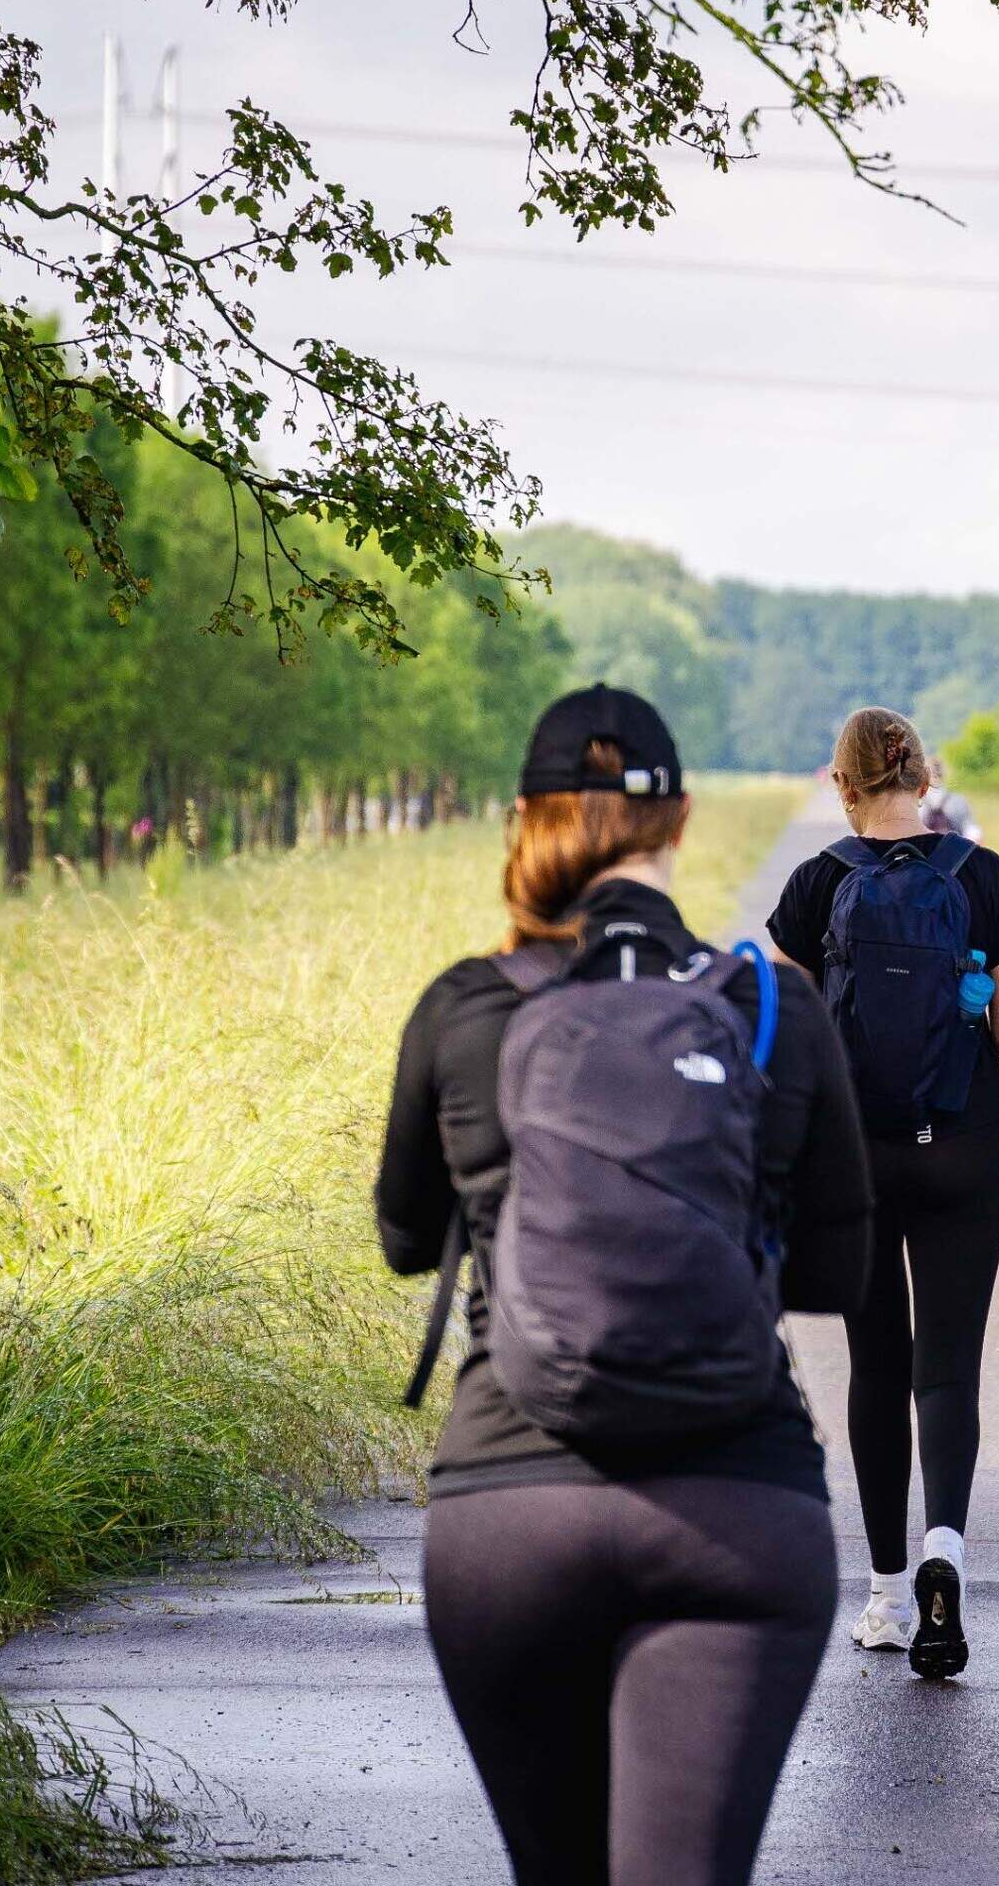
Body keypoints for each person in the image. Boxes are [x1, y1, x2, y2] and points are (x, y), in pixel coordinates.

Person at [378, 685, 873, 1885]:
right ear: (683, 819)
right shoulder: (769, 1005)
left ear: (525, 819)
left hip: (509, 1508)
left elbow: (404, 1240)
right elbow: (835, 1271)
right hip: (737, 1506)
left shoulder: (468, 1008)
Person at [763, 708, 999, 1679]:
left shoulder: (815, 882)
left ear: (843, 787)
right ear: (925, 777)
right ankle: (944, 1552)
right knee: (949, 1364)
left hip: (857, 1156)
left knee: (876, 1365)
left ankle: (883, 1595)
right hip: (962, 1139)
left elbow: (789, 1036)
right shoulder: (983, 875)